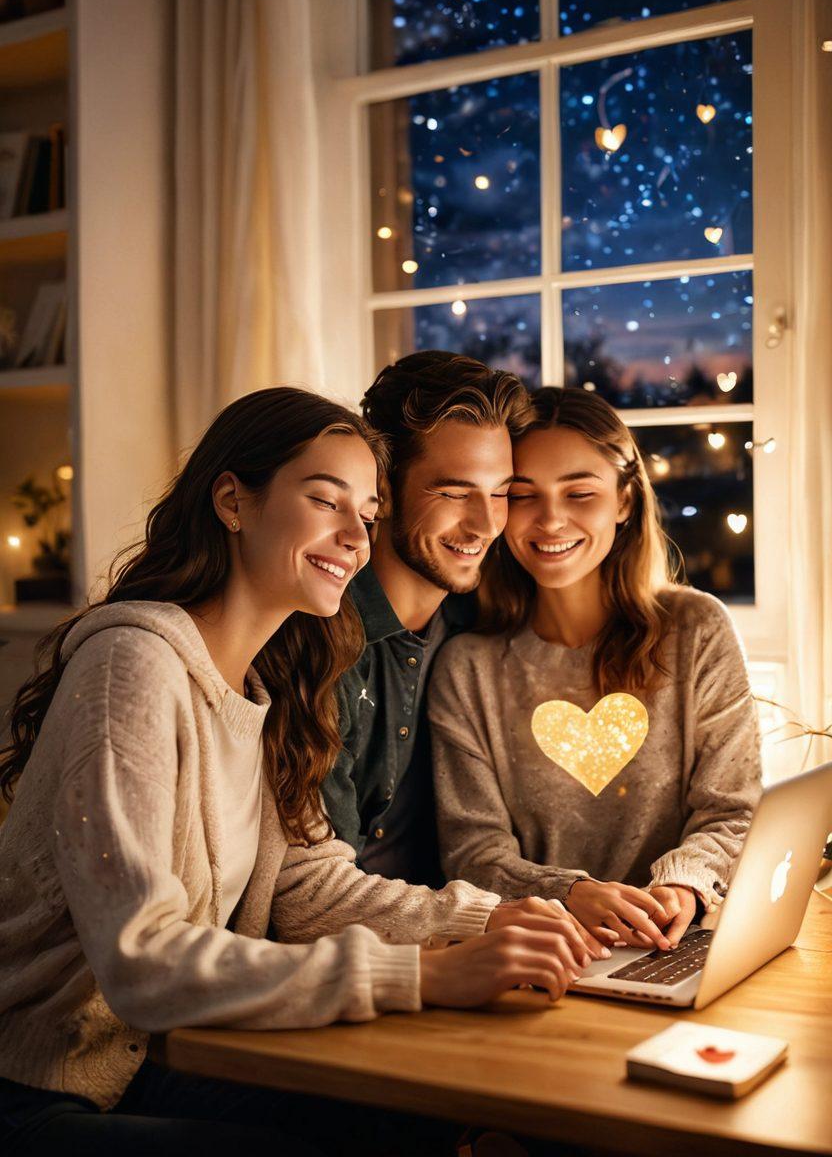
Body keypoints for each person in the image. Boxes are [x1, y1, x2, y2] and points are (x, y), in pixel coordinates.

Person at [0, 387, 601, 1157]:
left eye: (370, 514)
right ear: (232, 501)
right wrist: (423, 974)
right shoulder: (134, 665)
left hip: (153, 1060)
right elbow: (142, 957)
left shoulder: (267, 687)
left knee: (428, 1116)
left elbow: (308, 886)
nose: (356, 537)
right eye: (326, 502)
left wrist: (492, 925)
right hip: (41, 1087)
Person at [429, 386, 762, 952]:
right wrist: (571, 893)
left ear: (625, 500)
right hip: (549, 950)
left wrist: (683, 886)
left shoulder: (696, 629)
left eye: (580, 492)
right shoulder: (469, 669)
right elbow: (474, 853)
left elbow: (732, 810)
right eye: (525, 495)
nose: (552, 520)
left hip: (678, 941)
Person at [322, 351, 532, 887]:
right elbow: (316, 895)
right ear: (383, 492)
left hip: (461, 935)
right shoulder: (323, 644)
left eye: (501, 493)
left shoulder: (482, 623)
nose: (486, 523)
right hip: (368, 953)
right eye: (455, 492)